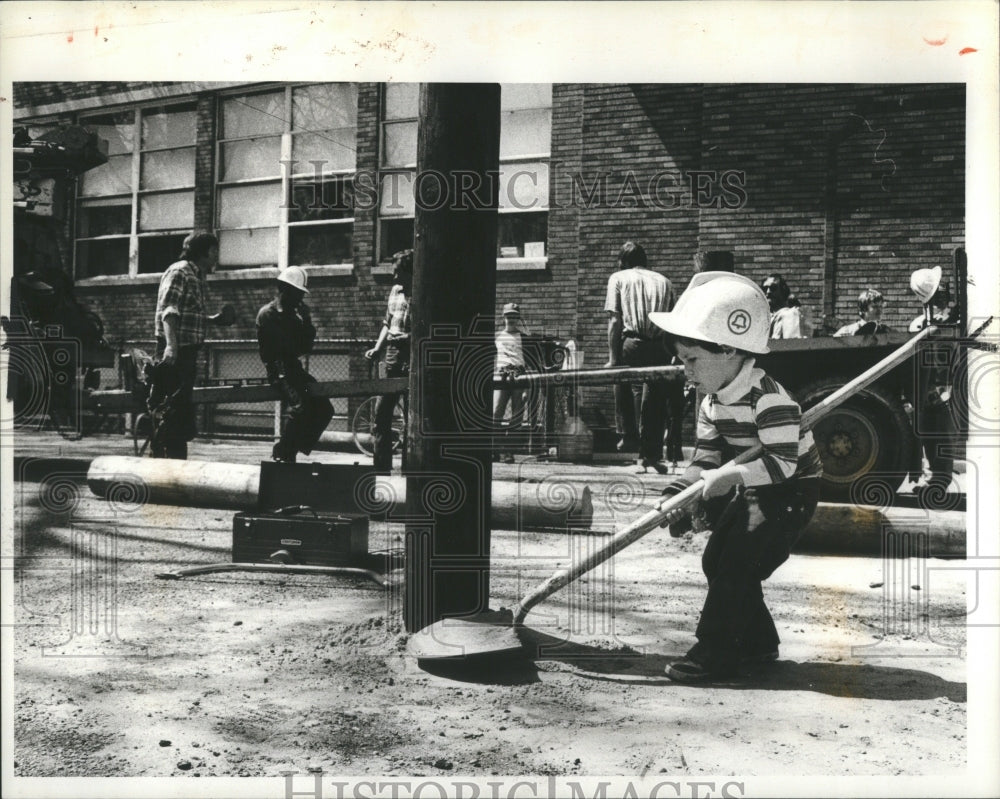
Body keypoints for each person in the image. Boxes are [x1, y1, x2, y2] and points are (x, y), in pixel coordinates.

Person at [648, 271, 824, 682]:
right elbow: (706, 458)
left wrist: (725, 481)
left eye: (693, 360)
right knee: (719, 560)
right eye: (682, 361)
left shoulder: (770, 398)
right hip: (754, 483)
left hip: (792, 490)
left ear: (728, 349)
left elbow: (783, 466)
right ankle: (758, 643)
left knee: (737, 563)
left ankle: (716, 652)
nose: (686, 371)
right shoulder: (712, 402)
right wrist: (680, 493)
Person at [604, 241, 675, 474]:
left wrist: (613, 358)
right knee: (654, 399)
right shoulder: (665, 281)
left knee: (621, 380)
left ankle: (629, 436)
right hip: (661, 345)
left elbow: (615, 320)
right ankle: (651, 455)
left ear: (623, 261)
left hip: (633, 342)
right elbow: (674, 323)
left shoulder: (619, 277)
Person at [149, 232, 218, 459]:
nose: (216, 256)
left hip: (186, 352)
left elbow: (187, 312)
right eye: (214, 250)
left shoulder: (195, 275)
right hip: (176, 352)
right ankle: (162, 465)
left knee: (181, 412)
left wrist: (214, 319)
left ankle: (176, 466)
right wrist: (171, 346)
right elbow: (170, 311)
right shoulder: (180, 272)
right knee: (172, 409)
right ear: (205, 251)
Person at [256, 266, 334, 464]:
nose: (300, 299)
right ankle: (285, 453)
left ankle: (288, 447)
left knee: (324, 408)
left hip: (293, 368)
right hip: (279, 370)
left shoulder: (294, 316)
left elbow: (304, 347)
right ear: (284, 290)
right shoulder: (268, 314)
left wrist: (306, 321)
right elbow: (279, 349)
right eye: (297, 293)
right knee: (300, 406)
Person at [907, 266, 959, 503]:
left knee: (940, 438)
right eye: (942, 288)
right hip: (930, 392)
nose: (947, 290)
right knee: (936, 437)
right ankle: (934, 484)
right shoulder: (924, 325)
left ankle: (936, 483)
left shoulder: (933, 323)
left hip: (937, 391)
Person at [365, 249, 413, 473]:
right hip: (392, 354)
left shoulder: (422, 290)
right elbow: (388, 322)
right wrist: (377, 348)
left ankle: (409, 470)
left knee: (412, 417)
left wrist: (409, 337)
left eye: (398, 272)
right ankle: (381, 469)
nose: (394, 277)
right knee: (381, 413)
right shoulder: (395, 291)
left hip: (413, 355)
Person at [493, 302, 528, 464]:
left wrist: (527, 387)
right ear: (504, 317)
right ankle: (494, 449)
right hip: (501, 376)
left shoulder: (524, 337)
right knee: (496, 413)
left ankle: (509, 451)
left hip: (519, 376)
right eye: (509, 316)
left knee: (516, 415)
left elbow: (529, 361)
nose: (511, 319)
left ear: (518, 318)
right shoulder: (497, 337)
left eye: (514, 316)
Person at [761, 273, 812, 339]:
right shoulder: (766, 318)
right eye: (764, 289)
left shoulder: (791, 314)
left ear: (783, 291)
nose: (768, 292)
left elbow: (791, 344)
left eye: (773, 288)